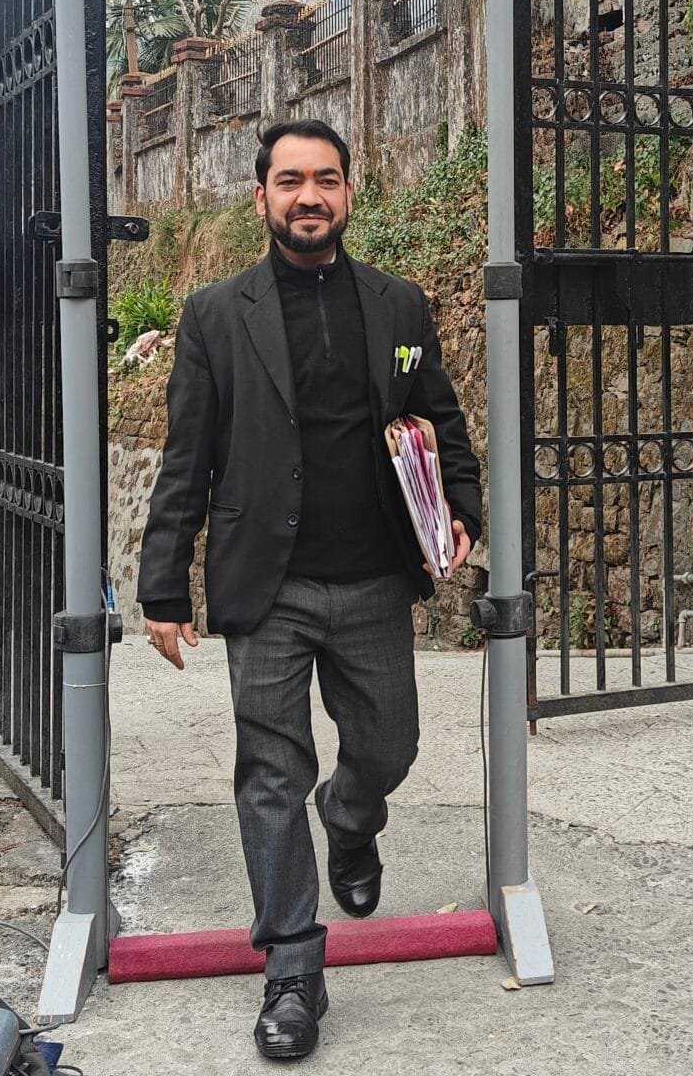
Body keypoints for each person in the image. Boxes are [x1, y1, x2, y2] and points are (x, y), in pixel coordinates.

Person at [137, 119, 481, 1062]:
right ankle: (292, 970)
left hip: (374, 574)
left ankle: (352, 816)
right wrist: (164, 585)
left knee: (389, 745)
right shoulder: (216, 315)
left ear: (348, 193)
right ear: (262, 198)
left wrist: (461, 507)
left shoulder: (399, 305)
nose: (309, 196)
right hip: (267, 586)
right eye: (290, 180)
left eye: (326, 179)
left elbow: (439, 417)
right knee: (270, 775)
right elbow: (186, 457)